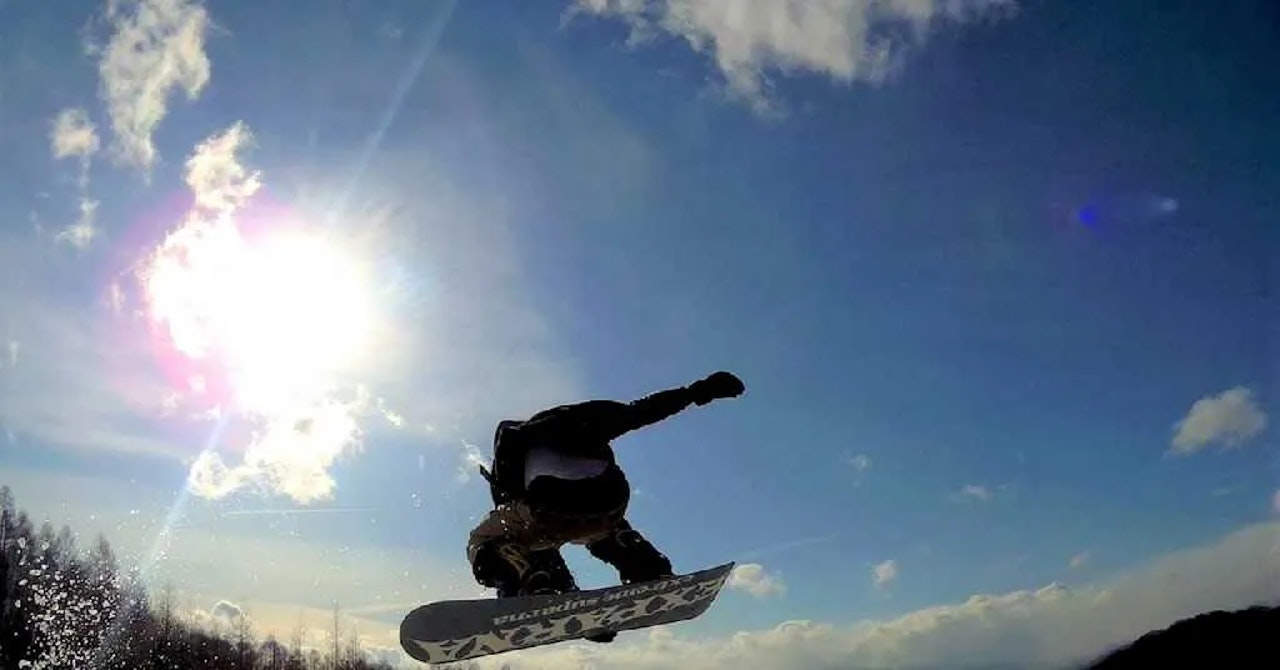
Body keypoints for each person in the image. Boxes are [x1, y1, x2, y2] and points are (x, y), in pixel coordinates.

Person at [466, 371, 746, 643]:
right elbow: (642, 411)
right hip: (609, 501)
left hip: (550, 508)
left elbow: (521, 523)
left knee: (490, 539)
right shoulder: (577, 421)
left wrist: (557, 594)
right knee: (605, 529)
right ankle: (648, 570)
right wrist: (700, 391)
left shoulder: (508, 462)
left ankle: (536, 585)